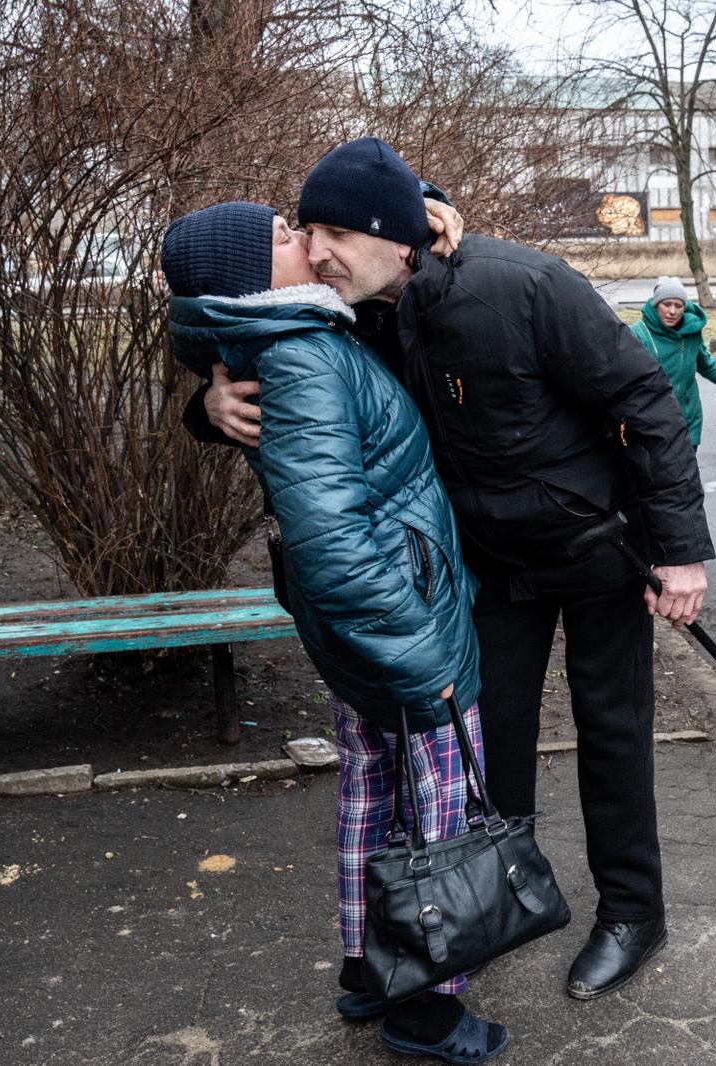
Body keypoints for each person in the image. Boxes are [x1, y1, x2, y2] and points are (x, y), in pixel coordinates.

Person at [195, 138, 714, 1001]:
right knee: (491, 747)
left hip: (595, 553)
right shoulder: (352, 314)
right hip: (489, 569)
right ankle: (501, 897)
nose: (317, 253)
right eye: (307, 231)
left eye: (334, 233)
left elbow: (643, 401)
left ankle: (632, 913)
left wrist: (679, 549)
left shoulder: (521, 285)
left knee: (613, 735)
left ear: (398, 234)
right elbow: (243, 350)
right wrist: (209, 406)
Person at [162, 202, 509, 1063]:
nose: (309, 246)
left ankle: (368, 966)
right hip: (399, 622)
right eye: (285, 238)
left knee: (370, 790)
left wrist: (415, 202)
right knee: (437, 812)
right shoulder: (304, 356)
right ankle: (426, 1009)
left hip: (362, 626)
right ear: (252, 277)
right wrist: (419, 656)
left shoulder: (281, 340)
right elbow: (334, 545)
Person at [628, 276, 716, 448]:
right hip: (653, 425)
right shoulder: (638, 335)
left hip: (688, 422)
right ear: (656, 304)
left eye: (678, 305)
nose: (672, 311)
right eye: (666, 304)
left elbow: (708, 366)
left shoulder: (691, 332)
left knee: (686, 474)